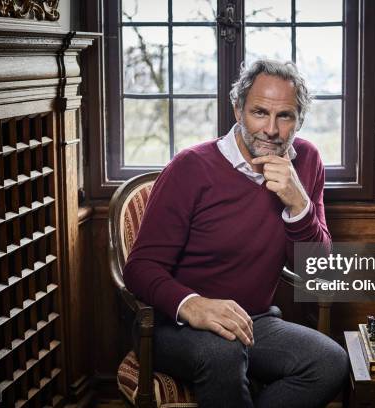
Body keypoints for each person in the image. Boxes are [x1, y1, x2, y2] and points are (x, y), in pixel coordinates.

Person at [123, 59, 349, 408]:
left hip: (253, 321)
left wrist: (298, 204)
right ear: (238, 110)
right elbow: (139, 269)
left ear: (299, 120)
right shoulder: (191, 167)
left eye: (285, 116)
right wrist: (192, 305)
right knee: (223, 352)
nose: (271, 129)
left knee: (330, 361)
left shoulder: (307, 161)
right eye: (259, 112)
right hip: (174, 325)